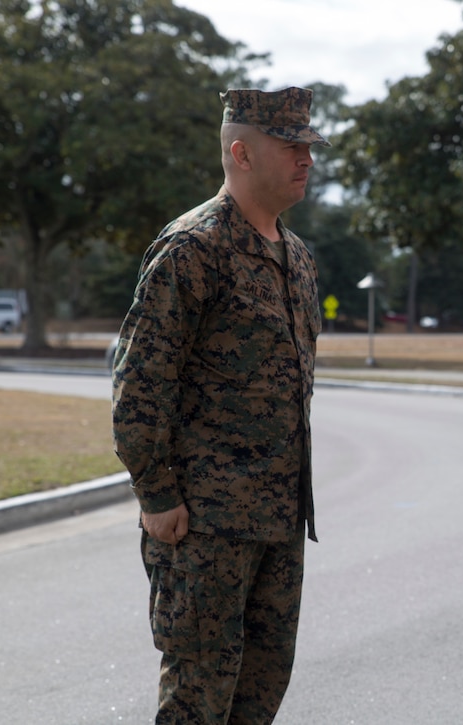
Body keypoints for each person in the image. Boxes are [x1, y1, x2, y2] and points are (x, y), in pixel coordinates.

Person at [111, 86, 326, 724]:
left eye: (309, 148)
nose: (306, 160)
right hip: (204, 525)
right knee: (198, 699)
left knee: (259, 695)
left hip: (279, 521)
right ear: (241, 153)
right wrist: (156, 492)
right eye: (291, 148)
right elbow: (140, 383)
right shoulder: (192, 249)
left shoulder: (299, 259)